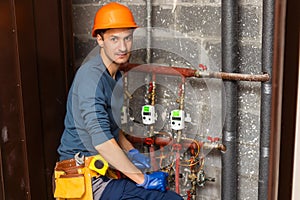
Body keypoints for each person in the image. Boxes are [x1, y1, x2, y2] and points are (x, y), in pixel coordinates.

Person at [54, 2, 183, 200]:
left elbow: (111, 128)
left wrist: (132, 153)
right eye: (114, 39)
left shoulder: (117, 78)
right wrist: (143, 181)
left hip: (105, 170)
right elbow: (102, 142)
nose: (122, 47)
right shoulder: (90, 77)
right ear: (100, 39)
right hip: (85, 177)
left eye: (127, 38)